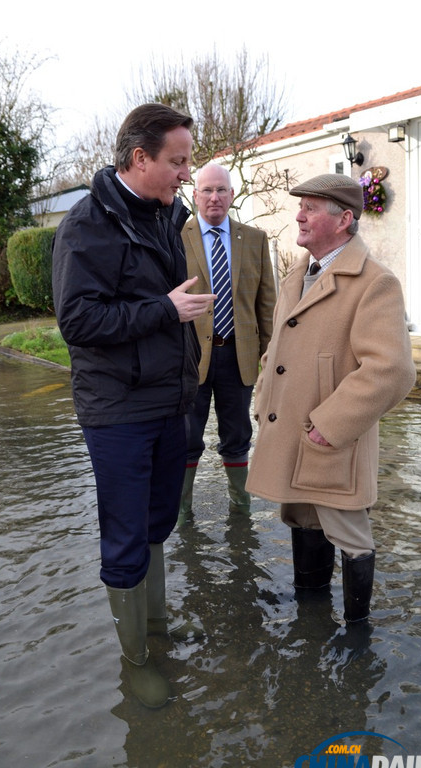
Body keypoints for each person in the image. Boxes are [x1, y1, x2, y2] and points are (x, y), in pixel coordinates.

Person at [51, 103, 216, 708]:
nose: (187, 173)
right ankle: (136, 659)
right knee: (125, 536)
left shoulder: (165, 213)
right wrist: (164, 310)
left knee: (157, 523)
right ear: (139, 158)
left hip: (170, 400)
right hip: (118, 408)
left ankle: (156, 625)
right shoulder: (85, 225)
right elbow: (77, 321)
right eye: (178, 161)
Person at [246, 173, 416, 623]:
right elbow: (277, 349)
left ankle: (357, 635)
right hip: (291, 432)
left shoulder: (375, 282)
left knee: (349, 533)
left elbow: (392, 370)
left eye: (310, 208)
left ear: (343, 220)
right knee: (302, 519)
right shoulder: (297, 275)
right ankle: (311, 618)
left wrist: (329, 426)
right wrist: (263, 398)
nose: (299, 216)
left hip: (330, 440)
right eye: (300, 206)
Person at [179, 163, 276, 517]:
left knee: (238, 436)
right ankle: (182, 514)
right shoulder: (176, 237)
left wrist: (271, 359)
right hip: (190, 358)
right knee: (186, 438)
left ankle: (241, 511)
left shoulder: (255, 239)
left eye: (221, 190)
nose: (214, 197)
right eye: (207, 190)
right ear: (195, 195)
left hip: (239, 356)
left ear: (232, 195)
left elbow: (267, 305)